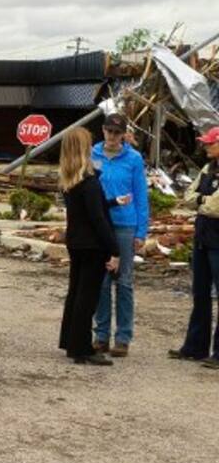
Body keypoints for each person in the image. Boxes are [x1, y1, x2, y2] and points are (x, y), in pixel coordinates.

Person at [58, 127, 120, 365]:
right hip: (93, 244)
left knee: (75, 292)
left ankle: (70, 340)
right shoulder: (89, 182)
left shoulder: (69, 181)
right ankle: (82, 347)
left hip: (76, 241)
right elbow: (98, 218)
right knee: (87, 296)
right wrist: (114, 249)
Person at [91, 113, 149, 357]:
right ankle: (101, 334)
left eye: (117, 133)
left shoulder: (133, 159)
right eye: (109, 131)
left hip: (125, 224)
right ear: (103, 131)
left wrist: (141, 231)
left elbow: (141, 195)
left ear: (124, 134)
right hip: (100, 224)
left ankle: (123, 336)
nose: (112, 136)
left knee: (123, 281)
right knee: (101, 281)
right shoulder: (92, 155)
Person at [173, 126, 219, 367]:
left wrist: (201, 201)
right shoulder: (208, 169)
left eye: (210, 143)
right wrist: (203, 200)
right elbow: (189, 195)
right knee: (200, 293)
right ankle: (195, 346)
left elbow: (215, 206)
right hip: (203, 236)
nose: (205, 146)